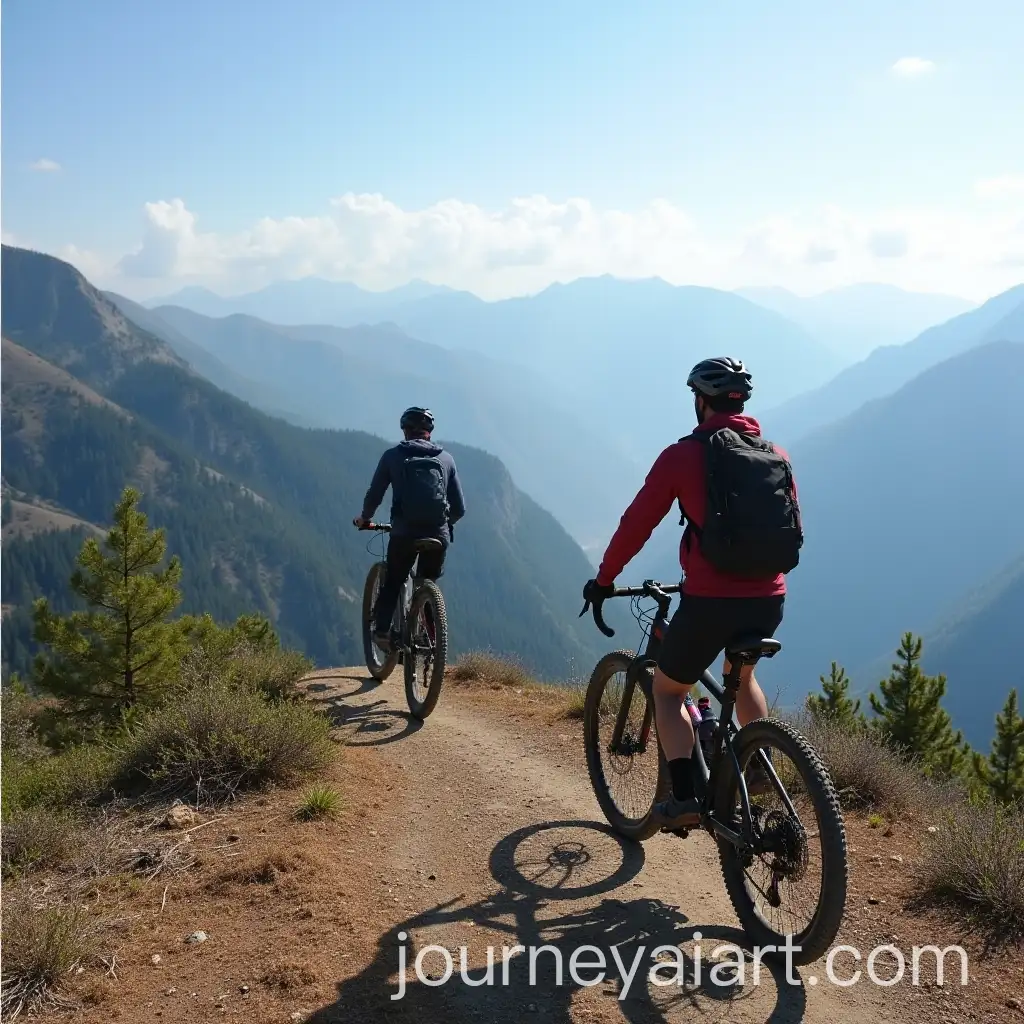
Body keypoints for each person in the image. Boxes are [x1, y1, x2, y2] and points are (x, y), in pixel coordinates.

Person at [583, 357, 801, 830]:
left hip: (710, 603)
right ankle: (758, 764)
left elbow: (637, 523)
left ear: (701, 401)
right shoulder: (777, 455)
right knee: (742, 678)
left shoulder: (683, 456)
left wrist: (604, 579)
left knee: (668, 690)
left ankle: (683, 799)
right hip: (770, 599)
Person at [354, 407, 466, 650]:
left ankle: (382, 633)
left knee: (394, 579)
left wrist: (365, 518)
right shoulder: (447, 459)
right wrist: (444, 524)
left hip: (404, 534)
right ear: (429, 432)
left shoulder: (392, 456)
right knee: (427, 581)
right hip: (438, 535)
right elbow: (459, 508)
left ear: (404, 430)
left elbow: (375, 495)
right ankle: (432, 640)